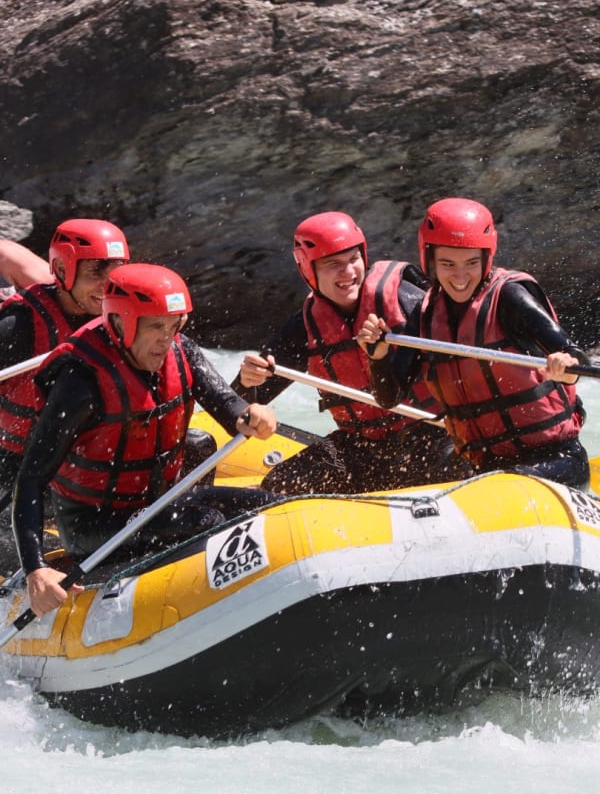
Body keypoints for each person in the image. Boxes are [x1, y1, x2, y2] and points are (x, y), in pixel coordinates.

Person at [12, 263, 278, 617]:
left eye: (174, 325)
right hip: (94, 525)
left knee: (270, 506)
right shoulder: (81, 383)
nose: (166, 339)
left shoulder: (181, 350)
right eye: (155, 326)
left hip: (157, 504)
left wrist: (250, 414)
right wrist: (35, 569)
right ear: (120, 323)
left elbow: (229, 407)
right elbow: (31, 479)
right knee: (209, 521)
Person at [358, 197, 590, 490]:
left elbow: (574, 358)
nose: (460, 276)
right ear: (430, 260)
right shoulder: (425, 316)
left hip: (556, 460)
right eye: (447, 264)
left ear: (486, 259)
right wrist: (378, 358)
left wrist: (566, 366)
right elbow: (389, 398)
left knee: (497, 486)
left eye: (471, 263)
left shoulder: (510, 297)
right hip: (485, 466)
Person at [232, 211, 463, 495]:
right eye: (333, 264)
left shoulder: (406, 299)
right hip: (363, 447)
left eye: (353, 259)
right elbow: (235, 404)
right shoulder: (304, 328)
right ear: (308, 270)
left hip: (434, 434)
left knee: (456, 470)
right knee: (280, 484)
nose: (348, 272)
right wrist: (248, 382)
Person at [0, 219, 130, 510]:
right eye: (96, 270)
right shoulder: (19, 325)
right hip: (25, 464)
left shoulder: (123, 315)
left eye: (116, 271)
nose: (108, 284)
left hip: (93, 453)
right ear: (61, 270)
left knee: (200, 444)